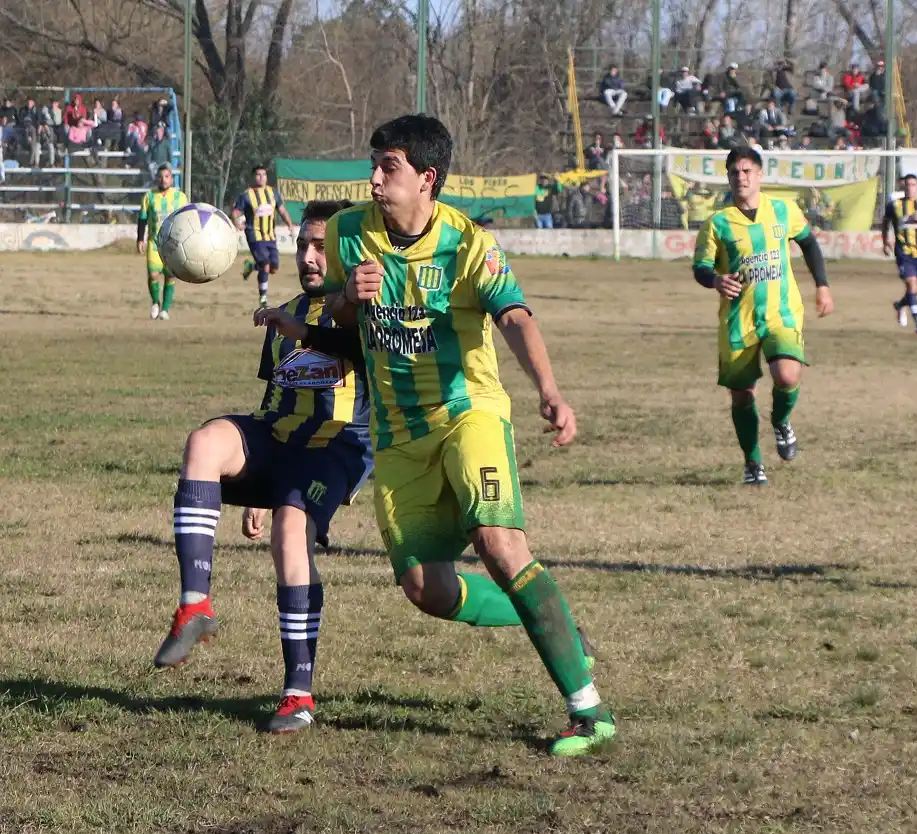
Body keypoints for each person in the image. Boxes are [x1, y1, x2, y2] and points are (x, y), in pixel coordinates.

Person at [322, 114, 615, 756]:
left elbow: (513, 315)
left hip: (468, 413)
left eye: (388, 168)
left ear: (427, 178)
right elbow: (333, 318)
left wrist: (549, 390)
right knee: (425, 589)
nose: (373, 179)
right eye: (373, 164)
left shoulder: (470, 243)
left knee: (498, 543)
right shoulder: (347, 234)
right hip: (398, 438)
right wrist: (347, 297)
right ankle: (552, 622)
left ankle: (589, 713)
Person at [152, 199, 372, 733]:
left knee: (290, 532)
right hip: (275, 439)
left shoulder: (369, 314)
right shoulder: (287, 312)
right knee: (204, 442)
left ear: (346, 253)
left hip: (333, 449)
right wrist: (256, 486)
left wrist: (278, 497)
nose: (309, 256)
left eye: (322, 246)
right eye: (303, 245)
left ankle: (298, 694)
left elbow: (362, 355)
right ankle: (194, 606)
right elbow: (279, 395)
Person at [692, 146, 835, 486]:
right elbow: (700, 267)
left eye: (746, 171)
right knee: (743, 395)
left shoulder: (782, 211)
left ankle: (781, 421)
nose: (740, 178)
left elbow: (809, 244)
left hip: (781, 313)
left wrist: (823, 286)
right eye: (734, 173)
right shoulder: (718, 224)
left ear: (759, 175)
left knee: (786, 376)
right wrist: (715, 279)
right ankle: (753, 463)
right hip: (739, 321)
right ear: (728, 178)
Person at [881, 173, 917, 335]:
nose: (910, 188)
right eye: (907, 185)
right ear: (903, 187)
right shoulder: (895, 205)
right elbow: (885, 223)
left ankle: (900, 305)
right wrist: (885, 241)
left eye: (913, 185)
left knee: (916, 290)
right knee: (912, 285)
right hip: (903, 253)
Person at [233, 165, 296, 307]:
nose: (261, 177)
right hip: (254, 234)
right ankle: (263, 299)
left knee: (274, 267)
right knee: (266, 265)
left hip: (270, 236)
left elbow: (282, 210)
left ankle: (250, 266)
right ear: (253, 177)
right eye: (258, 175)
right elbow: (236, 211)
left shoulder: (273, 193)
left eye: (264, 174)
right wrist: (237, 222)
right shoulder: (247, 195)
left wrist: (290, 225)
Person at [136, 164, 189, 320]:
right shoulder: (149, 196)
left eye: (166, 176)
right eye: (160, 177)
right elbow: (142, 219)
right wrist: (140, 238)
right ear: (156, 179)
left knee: (170, 276)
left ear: (171, 179)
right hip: (154, 242)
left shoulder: (180, 197)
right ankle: (155, 302)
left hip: (173, 243)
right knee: (153, 274)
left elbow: (187, 219)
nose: (163, 179)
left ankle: (165, 309)